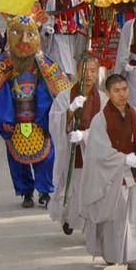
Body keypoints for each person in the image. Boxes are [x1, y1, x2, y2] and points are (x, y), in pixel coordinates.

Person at [0, 15, 71, 209]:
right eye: (17, 34)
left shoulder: (42, 62)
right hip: (14, 118)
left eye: (29, 34)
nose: (23, 40)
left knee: (46, 157)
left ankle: (45, 190)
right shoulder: (5, 62)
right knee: (17, 160)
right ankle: (26, 192)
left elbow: (61, 84)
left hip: (38, 118)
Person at [78, 74, 136, 270]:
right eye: (117, 90)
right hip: (115, 178)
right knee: (116, 221)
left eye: (125, 89)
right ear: (108, 93)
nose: (122, 94)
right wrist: (123, 159)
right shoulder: (100, 120)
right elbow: (99, 152)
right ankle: (112, 254)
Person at [47, 55, 104, 236]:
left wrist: (85, 136)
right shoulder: (65, 97)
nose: (88, 76)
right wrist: (70, 110)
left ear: (97, 73)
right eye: (84, 71)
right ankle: (69, 219)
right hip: (71, 152)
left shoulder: (103, 99)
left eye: (93, 71)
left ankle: (91, 227)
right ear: (77, 72)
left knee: (92, 191)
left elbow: (106, 129)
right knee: (71, 189)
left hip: (93, 153)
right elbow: (54, 122)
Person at [42, 0, 87, 80]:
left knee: (73, 65)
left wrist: (76, 25)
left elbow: (79, 16)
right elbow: (48, 17)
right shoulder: (52, 0)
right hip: (58, 37)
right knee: (60, 65)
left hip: (72, 38)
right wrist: (49, 28)